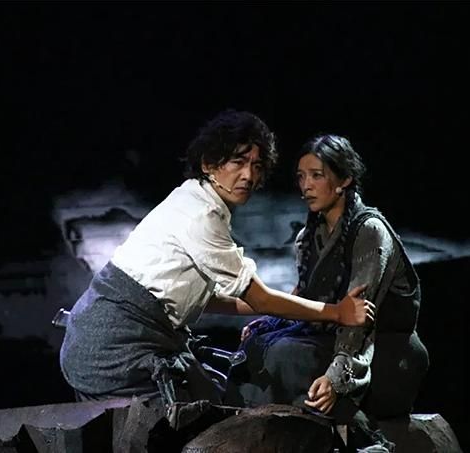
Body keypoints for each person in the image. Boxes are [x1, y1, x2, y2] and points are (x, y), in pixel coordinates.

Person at [59, 112, 374, 406]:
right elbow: (260, 298)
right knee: (207, 419)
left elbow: (207, 299)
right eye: (238, 162)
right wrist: (338, 312)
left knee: (222, 396)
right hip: (112, 349)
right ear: (209, 163)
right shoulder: (201, 215)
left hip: (112, 337)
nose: (248, 175)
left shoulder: (193, 197)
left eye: (257, 166)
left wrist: (288, 308)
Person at [231, 134, 429, 452]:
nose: (305, 186)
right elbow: (306, 298)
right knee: (257, 346)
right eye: (301, 177)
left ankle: (365, 440)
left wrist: (336, 380)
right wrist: (270, 324)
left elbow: (359, 322)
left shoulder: (370, 231)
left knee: (284, 356)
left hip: (383, 353)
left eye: (316, 175)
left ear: (344, 179)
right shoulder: (307, 238)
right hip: (331, 341)